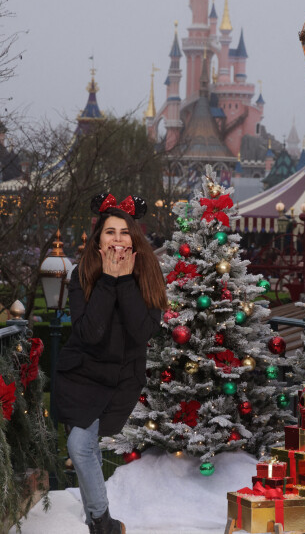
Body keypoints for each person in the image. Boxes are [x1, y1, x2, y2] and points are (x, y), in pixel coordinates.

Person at [55, 193, 167, 534]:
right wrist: (106, 279)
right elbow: (89, 332)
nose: (117, 239)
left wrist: (123, 282)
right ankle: (103, 525)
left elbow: (142, 331)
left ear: (133, 237)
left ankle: (101, 524)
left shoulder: (148, 274)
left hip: (120, 377)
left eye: (123, 232)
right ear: (98, 238)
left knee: (82, 446)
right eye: (109, 232)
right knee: (79, 445)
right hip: (83, 374)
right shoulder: (81, 274)